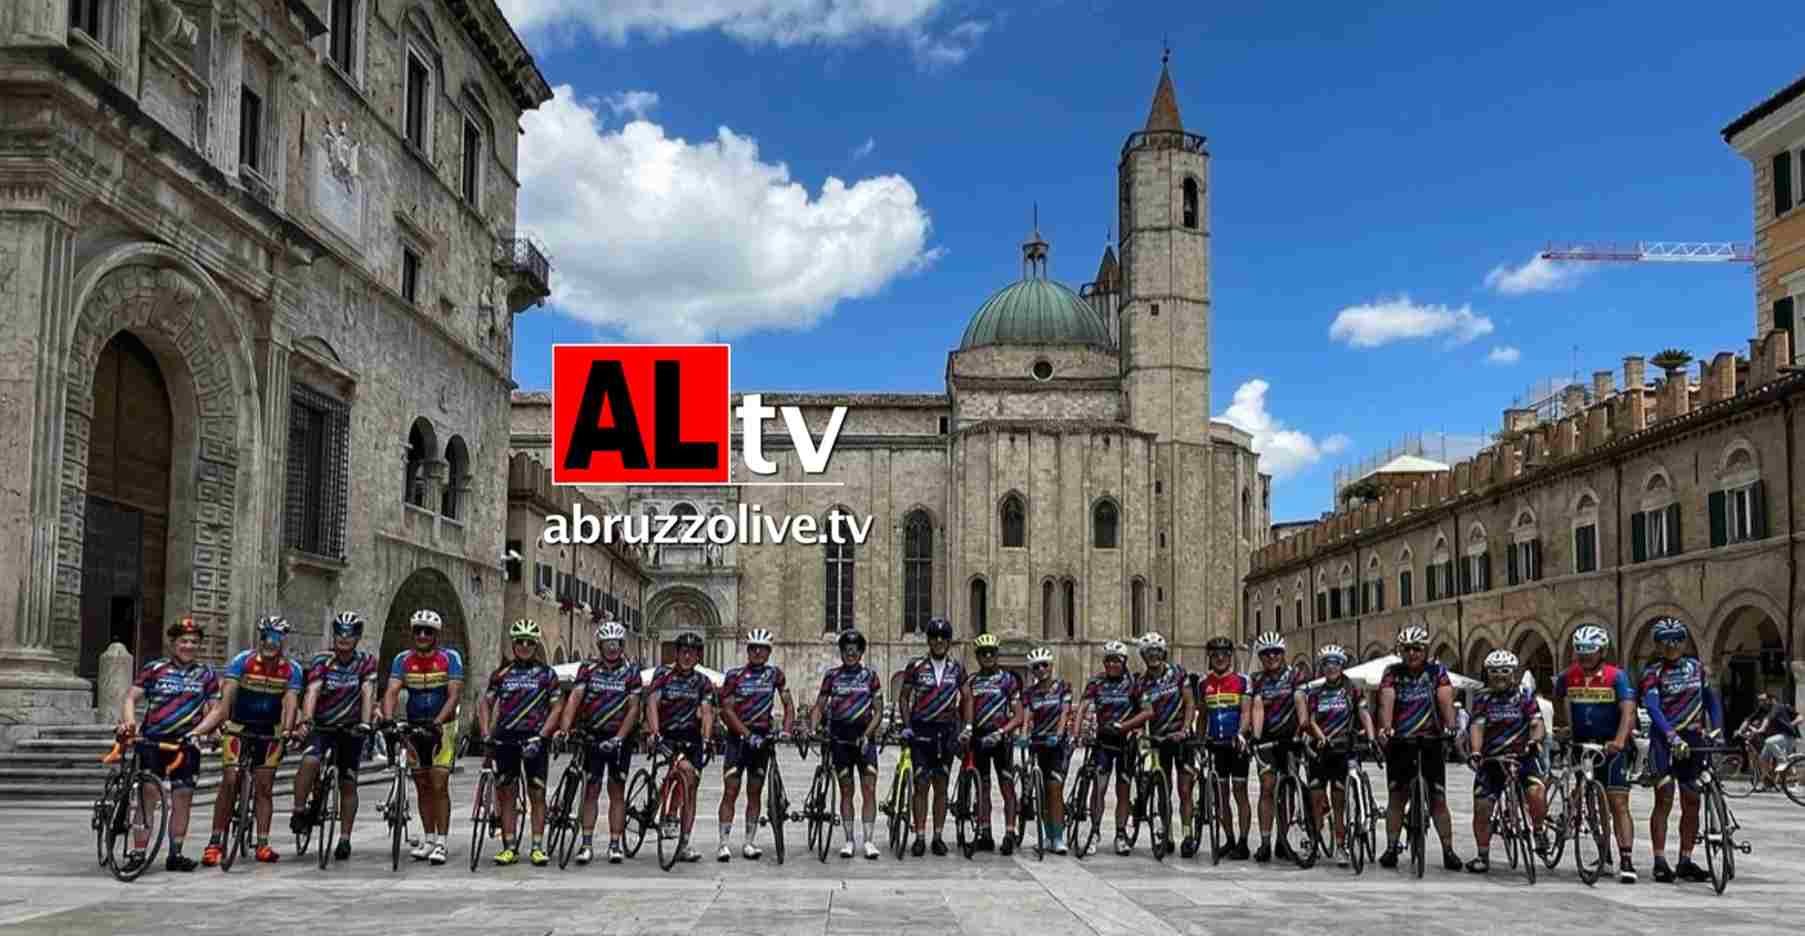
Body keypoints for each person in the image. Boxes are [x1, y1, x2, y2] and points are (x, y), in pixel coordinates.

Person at [116, 617, 223, 873]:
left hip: (186, 743)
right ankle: (139, 852)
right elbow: (131, 697)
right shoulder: (155, 668)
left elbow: (214, 709)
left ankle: (176, 853)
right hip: (152, 740)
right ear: (173, 643)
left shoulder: (206, 674)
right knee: (147, 797)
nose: (188, 646)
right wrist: (129, 723)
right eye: (183, 641)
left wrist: (208, 730)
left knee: (183, 796)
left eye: (194, 642)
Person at [200, 615, 301, 866]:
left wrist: (288, 730)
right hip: (239, 726)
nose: (271, 643)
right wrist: (210, 727)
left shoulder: (292, 669)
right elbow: (225, 703)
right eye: (266, 637)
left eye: (276, 638)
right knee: (231, 778)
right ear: (260, 638)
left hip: (270, 731)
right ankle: (215, 842)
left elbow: (290, 703)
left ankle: (263, 843)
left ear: (283, 642)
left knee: (265, 786)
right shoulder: (242, 662)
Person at [1551, 623, 1639, 883]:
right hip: (1582, 746)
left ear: (1602, 651)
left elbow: (1628, 710)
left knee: (1618, 803)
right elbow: (1557, 698)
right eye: (1580, 651)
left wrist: (1620, 740)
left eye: (1590, 651)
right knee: (1593, 804)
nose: (1585, 656)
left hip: (1611, 746)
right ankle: (1604, 853)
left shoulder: (1617, 676)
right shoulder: (1568, 676)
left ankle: (1626, 858)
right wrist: (1563, 726)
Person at [1640, 616, 1723, 884]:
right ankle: (1660, 860)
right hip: (1665, 741)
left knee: (1692, 801)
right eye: (1665, 642)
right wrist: (1671, 735)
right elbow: (1653, 708)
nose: (1671, 646)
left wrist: (1717, 730)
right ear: (1657, 645)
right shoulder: (1652, 672)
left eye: (1677, 640)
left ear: (1684, 641)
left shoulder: (1696, 668)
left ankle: (1686, 859)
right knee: (1664, 798)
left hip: (1694, 739)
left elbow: (1711, 701)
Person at [289, 611, 377, 862]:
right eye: (339, 633)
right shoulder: (322, 660)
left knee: (348, 782)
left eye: (349, 634)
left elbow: (368, 691)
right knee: (310, 761)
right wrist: (306, 719)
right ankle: (298, 811)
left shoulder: (366, 662)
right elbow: (313, 690)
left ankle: (345, 838)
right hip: (323, 725)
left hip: (351, 728)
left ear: (357, 637)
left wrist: (366, 723)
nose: (344, 638)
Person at [1375, 624, 1462, 871]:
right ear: (1400, 651)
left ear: (1425, 650)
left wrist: (1451, 726)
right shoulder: (1392, 672)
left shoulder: (1437, 672)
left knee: (1438, 798)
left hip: (1431, 739)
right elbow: (1386, 699)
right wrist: (1387, 727)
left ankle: (1448, 850)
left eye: (1417, 649)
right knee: (1397, 797)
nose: (1412, 653)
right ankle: (1391, 847)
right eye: (1407, 649)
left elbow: (1445, 698)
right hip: (1400, 740)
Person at [382, 608, 465, 865]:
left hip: (443, 727)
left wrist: (438, 722)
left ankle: (441, 841)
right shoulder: (402, 660)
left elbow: (453, 696)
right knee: (421, 785)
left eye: (428, 631)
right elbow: (392, 691)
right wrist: (387, 718)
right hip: (414, 725)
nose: (422, 635)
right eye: (417, 630)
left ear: (436, 635)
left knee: (439, 783)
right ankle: (428, 838)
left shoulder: (450, 658)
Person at [557, 617, 641, 865]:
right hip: (593, 735)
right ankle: (586, 843)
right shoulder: (588, 670)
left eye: (616, 643)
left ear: (622, 644)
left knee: (617, 791)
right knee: (591, 789)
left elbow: (634, 709)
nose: (612, 647)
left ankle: (615, 844)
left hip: (619, 738)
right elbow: (574, 698)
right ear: (600, 646)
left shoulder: (632, 673)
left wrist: (619, 738)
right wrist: (564, 728)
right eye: (607, 643)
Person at [478, 619, 561, 866]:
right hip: (507, 738)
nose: (524, 646)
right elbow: (486, 703)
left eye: (529, 642)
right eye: (520, 642)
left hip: (535, 738)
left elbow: (557, 707)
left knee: (537, 792)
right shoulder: (501, 674)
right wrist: (485, 734)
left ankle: (537, 846)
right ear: (513, 645)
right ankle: (510, 846)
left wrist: (544, 735)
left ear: (535, 645)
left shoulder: (547, 674)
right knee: (507, 794)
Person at [1463, 650, 1548, 874]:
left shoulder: (1525, 695)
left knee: (1537, 793)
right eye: (1494, 672)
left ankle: (1538, 830)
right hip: (1492, 760)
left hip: (1523, 757)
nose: (1499, 676)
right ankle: (1482, 855)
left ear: (1513, 673)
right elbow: (1477, 726)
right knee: (1482, 807)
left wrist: (1535, 741)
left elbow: (1536, 722)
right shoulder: (1483, 697)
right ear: (1487, 674)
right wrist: (1475, 751)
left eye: (1504, 671)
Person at [716, 628, 796, 861]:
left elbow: (788, 704)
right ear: (748, 651)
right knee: (730, 790)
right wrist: (746, 733)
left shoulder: (775, 675)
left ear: (769, 652)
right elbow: (726, 710)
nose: (758, 652)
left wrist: (787, 729)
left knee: (754, 792)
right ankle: (723, 843)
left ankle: (749, 842)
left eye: (762, 649)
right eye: (753, 649)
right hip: (737, 740)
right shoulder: (735, 675)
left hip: (762, 739)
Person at [1113, 633, 1194, 857]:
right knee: (1163, 791)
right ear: (1143, 655)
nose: (1154, 656)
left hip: (1182, 738)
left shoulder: (1178, 674)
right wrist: (1138, 731)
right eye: (1149, 652)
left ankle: (1187, 834)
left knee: (1185, 790)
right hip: (1159, 740)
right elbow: (1143, 712)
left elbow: (1189, 703)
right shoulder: (1141, 684)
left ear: (1163, 652)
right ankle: (1166, 835)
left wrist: (1185, 729)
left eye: (1157, 651)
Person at [897, 617, 968, 857]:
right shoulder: (916, 666)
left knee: (941, 786)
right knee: (920, 785)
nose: (939, 641)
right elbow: (904, 697)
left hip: (946, 732)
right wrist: (906, 725)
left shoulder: (957, 668)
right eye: (935, 637)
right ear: (928, 640)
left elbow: (967, 697)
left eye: (943, 638)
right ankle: (919, 836)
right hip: (921, 732)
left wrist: (966, 727)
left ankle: (937, 836)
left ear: (948, 642)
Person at [645, 631, 716, 863]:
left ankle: (684, 842)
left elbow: (706, 712)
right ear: (676, 653)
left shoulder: (703, 682)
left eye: (692, 652)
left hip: (691, 738)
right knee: (683, 770)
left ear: (698, 656)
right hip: (666, 735)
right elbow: (652, 703)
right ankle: (670, 813)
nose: (687, 656)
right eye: (683, 651)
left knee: (692, 787)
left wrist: (706, 738)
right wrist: (654, 731)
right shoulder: (662, 675)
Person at [812, 629, 884, 858]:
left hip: (864, 739)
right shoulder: (832, 676)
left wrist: (868, 733)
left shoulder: (871, 677)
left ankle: (869, 841)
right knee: (846, 790)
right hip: (840, 740)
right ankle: (849, 839)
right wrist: (813, 727)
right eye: (846, 650)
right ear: (842, 652)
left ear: (861, 652)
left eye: (855, 650)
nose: (851, 654)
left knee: (869, 789)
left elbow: (879, 711)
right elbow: (820, 705)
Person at [1301, 644, 1374, 868]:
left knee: (1339, 800)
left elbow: (1363, 713)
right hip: (1322, 748)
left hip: (1344, 748)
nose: (1331, 667)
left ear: (1342, 666)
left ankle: (1341, 844)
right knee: (1316, 795)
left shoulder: (1353, 689)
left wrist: (1371, 737)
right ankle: (1314, 839)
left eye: (1335, 663)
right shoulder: (1316, 693)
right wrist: (1320, 736)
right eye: (1327, 664)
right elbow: (1311, 720)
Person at [959, 633, 1025, 854]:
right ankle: (985, 832)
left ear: (997, 654)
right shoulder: (972, 681)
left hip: (1000, 739)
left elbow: (1018, 716)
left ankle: (1009, 831)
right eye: (983, 653)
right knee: (983, 788)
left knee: (1007, 785)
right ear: (977, 656)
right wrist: (967, 729)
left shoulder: (1009, 680)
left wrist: (1002, 731)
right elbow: (967, 708)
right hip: (979, 739)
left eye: (991, 652)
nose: (987, 656)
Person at [1073, 640, 1140, 857]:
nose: (1112, 664)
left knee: (1123, 789)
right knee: (1099, 788)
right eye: (1108, 660)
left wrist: (1135, 729)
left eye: (1116, 660)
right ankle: (1094, 832)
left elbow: (1145, 709)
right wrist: (1076, 733)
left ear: (1124, 662)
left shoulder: (1133, 683)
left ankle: (1120, 834)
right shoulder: (1096, 682)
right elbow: (1082, 707)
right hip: (1103, 741)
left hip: (1126, 742)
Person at [1246, 631, 1306, 863]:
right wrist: (1257, 736)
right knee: (1268, 786)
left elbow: (1300, 700)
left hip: (1291, 738)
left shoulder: (1295, 675)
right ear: (1261, 657)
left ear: (1282, 654)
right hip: (1268, 740)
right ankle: (1265, 841)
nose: (1271, 657)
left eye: (1276, 652)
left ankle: (1283, 838)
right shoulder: (1257, 680)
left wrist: (1302, 727)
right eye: (1266, 653)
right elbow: (1257, 707)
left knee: (1289, 788)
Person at [1197, 636, 1253, 860]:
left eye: (1224, 654)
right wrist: (1200, 741)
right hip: (1216, 746)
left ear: (1231, 656)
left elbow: (1247, 712)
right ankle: (1229, 838)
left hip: (1235, 744)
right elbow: (1202, 715)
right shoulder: (1204, 683)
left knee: (1240, 792)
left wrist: (1241, 733)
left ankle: (1243, 841)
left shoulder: (1242, 681)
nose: (1220, 658)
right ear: (1210, 657)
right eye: (1215, 654)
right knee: (1221, 796)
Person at [1020, 646, 1073, 855]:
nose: (1041, 669)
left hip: (1056, 744)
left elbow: (1064, 712)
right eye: (1036, 667)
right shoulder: (1029, 693)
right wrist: (1023, 734)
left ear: (1051, 666)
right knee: (1041, 792)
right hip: (1038, 743)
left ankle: (1058, 837)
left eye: (1044, 665)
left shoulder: (1063, 687)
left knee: (1055, 789)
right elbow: (1026, 715)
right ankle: (1046, 835)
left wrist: (1059, 734)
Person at [1753, 692, 1800, 789]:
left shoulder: (1777, 707)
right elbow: (1751, 718)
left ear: (1771, 700)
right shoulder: (1764, 709)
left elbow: (1768, 719)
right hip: (1777, 738)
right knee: (1763, 758)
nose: (1761, 703)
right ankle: (1767, 782)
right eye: (1760, 701)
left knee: (1769, 742)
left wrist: (1761, 729)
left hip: (1787, 736)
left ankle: (1784, 763)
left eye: (1763, 700)